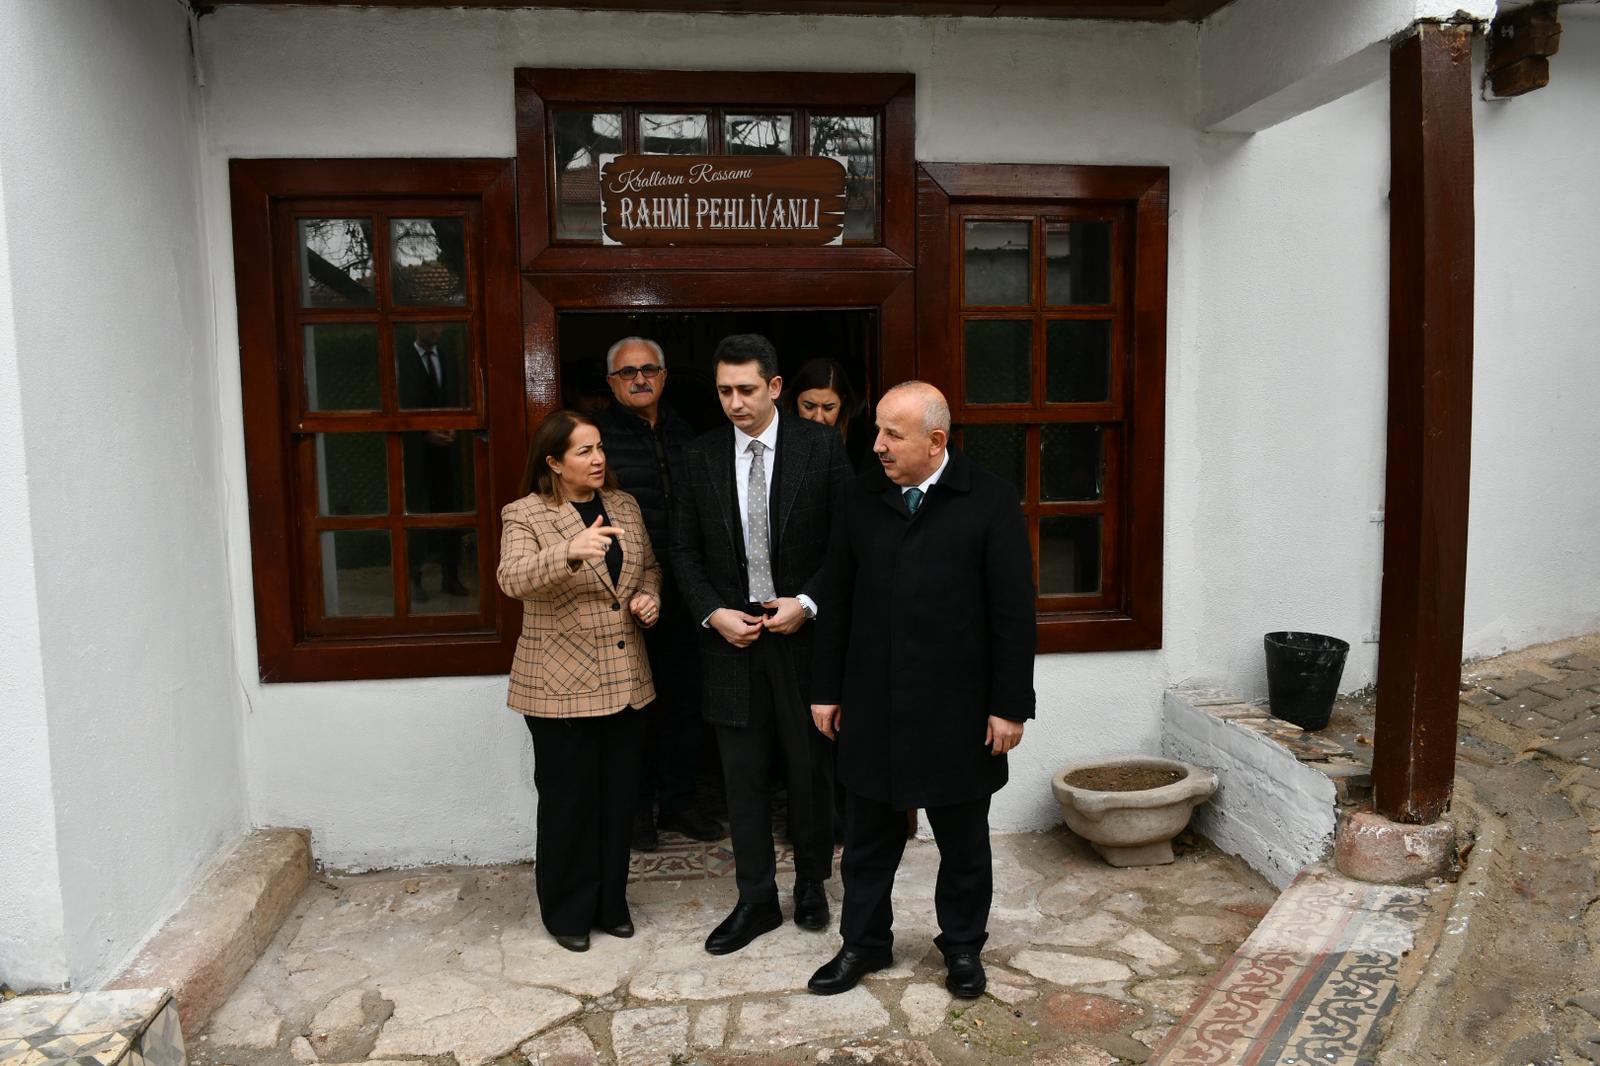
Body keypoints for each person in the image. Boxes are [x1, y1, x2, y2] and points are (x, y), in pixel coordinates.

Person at [806, 381, 1036, 999]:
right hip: (873, 704)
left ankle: (961, 946)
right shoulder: (861, 496)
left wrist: (1009, 706)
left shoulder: (989, 498)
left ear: (936, 441)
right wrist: (826, 689)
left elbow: (1013, 613)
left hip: (959, 710)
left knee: (963, 844)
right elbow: (837, 599)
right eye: (877, 430)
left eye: (892, 434)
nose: (877, 445)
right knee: (866, 842)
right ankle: (863, 943)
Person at [671, 333, 852, 955]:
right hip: (731, 640)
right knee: (741, 777)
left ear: (774, 387)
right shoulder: (699, 455)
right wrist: (711, 613)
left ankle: (812, 884)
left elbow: (845, 543)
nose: (734, 403)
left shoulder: (820, 447)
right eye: (724, 391)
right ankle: (755, 900)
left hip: (802, 637)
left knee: (809, 771)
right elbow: (682, 550)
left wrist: (807, 603)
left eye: (746, 389)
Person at [497, 409, 662, 954]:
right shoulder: (525, 513)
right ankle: (567, 912)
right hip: (558, 685)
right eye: (584, 451)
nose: (598, 459)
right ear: (553, 462)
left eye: (600, 448)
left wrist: (649, 597)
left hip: (626, 679)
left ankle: (611, 905)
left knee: (618, 800)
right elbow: (511, 578)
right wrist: (567, 551)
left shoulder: (624, 505)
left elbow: (649, 567)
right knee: (569, 803)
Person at [593, 337, 726, 850]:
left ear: (665, 376)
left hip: (684, 589)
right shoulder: (599, 439)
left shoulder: (687, 433)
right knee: (631, 710)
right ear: (612, 383)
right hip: (625, 595)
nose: (640, 379)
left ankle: (679, 803)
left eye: (649, 370)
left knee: (684, 701)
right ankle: (635, 812)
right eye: (627, 373)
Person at [399, 322, 468, 603]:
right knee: (415, 513)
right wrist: (423, 433)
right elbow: (397, 404)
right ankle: (414, 579)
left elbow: (459, 397)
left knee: (451, 512)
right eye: (431, 325)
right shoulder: (401, 359)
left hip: (448, 451)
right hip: (414, 453)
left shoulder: (449, 358)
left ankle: (451, 577)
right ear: (418, 326)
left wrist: (453, 428)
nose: (436, 331)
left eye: (440, 325)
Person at [788, 357, 869, 471]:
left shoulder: (858, 438)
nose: (818, 418)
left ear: (842, 402)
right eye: (809, 406)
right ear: (796, 400)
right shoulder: (779, 433)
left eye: (828, 408)